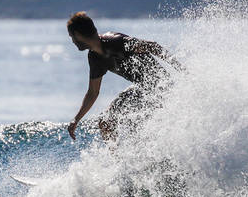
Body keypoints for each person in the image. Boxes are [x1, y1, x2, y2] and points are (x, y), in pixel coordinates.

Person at [66, 11, 182, 140]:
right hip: (143, 90)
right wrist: (76, 120)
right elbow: (93, 92)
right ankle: (118, 160)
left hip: (161, 89)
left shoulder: (116, 41)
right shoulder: (95, 58)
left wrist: (182, 70)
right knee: (106, 123)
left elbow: (154, 47)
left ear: (78, 35)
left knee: (135, 125)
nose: (72, 41)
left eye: (72, 37)